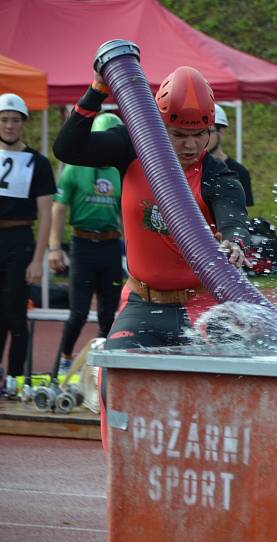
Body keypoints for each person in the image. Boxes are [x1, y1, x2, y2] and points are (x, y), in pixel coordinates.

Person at [53, 65, 250, 353]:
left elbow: (232, 214)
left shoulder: (217, 175)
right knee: (117, 383)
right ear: (159, 125)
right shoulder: (130, 146)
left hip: (202, 305)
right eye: (180, 134)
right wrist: (96, 91)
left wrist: (234, 240)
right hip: (142, 303)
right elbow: (67, 149)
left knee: (225, 385)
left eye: (201, 134)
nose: (191, 145)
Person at [49, 112, 124, 375]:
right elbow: (59, 208)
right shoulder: (75, 167)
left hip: (111, 246)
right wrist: (55, 246)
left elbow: (126, 212)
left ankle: (103, 368)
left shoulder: (121, 171)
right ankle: (64, 360)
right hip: (83, 245)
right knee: (78, 313)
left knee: (108, 315)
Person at [0, 92, 55, 377]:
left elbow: (46, 213)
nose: (9, 125)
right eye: (5, 119)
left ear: (23, 123)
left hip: (19, 241)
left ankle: (15, 377)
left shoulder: (38, 162)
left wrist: (37, 259)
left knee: (15, 315)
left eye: (15, 120)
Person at [208, 104, 254, 206]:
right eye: (198, 132)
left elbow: (242, 215)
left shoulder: (239, 172)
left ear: (221, 132)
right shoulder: (186, 170)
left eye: (208, 131)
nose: (202, 138)